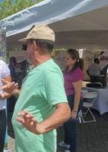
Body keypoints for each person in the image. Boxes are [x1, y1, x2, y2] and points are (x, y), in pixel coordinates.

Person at [11, 24, 70, 152]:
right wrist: (14, 91)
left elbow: (64, 110)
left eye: (26, 46)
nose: (25, 50)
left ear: (34, 45)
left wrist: (40, 127)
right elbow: (32, 96)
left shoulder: (49, 72)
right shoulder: (39, 69)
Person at [58, 49, 84, 152]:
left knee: (71, 127)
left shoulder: (77, 72)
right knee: (66, 123)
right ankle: (66, 142)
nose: (65, 59)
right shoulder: (67, 69)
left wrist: (74, 110)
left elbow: (77, 93)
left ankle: (72, 149)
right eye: (65, 57)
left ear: (74, 60)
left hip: (74, 100)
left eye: (67, 58)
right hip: (67, 99)